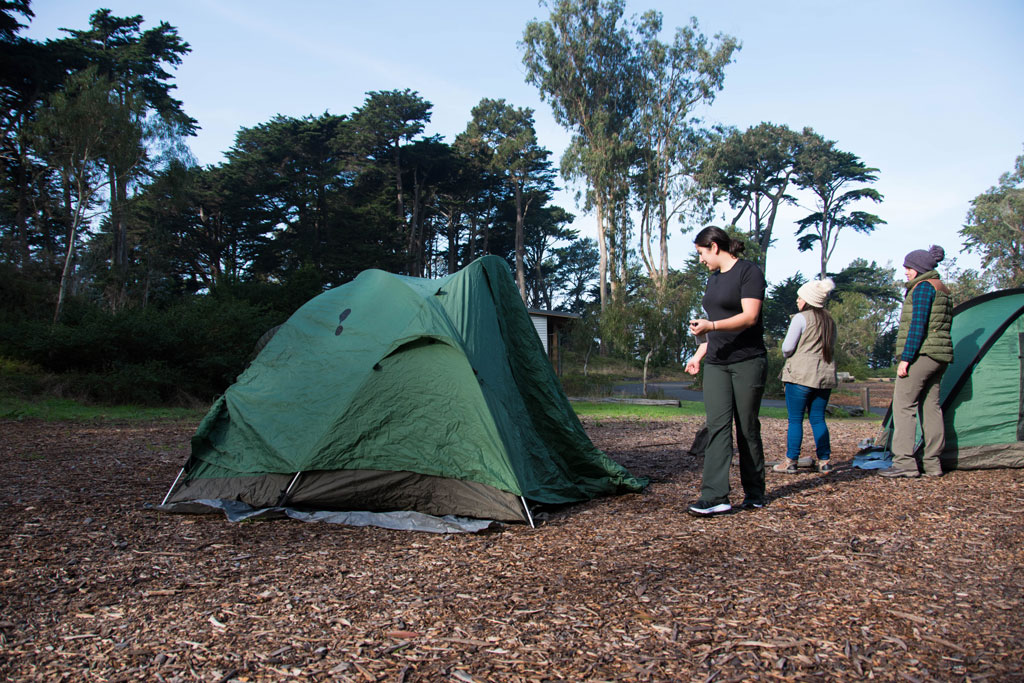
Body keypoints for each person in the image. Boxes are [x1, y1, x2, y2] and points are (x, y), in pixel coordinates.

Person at [684, 226, 767, 516]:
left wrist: (713, 326)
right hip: (717, 362)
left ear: (715, 247)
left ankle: (755, 492)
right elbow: (712, 321)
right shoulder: (713, 280)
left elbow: (750, 316)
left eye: (701, 253)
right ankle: (715, 495)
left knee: (746, 428)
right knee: (717, 426)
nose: (701, 260)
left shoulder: (749, 273)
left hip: (747, 361)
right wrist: (698, 353)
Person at [880, 245, 953, 478]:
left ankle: (904, 463)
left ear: (919, 268)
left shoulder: (922, 288)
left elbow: (917, 327)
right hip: (939, 356)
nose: (906, 272)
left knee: (904, 405)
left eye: (908, 268)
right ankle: (932, 464)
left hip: (922, 355)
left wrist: (906, 359)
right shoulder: (941, 288)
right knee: (931, 407)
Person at [772, 278, 838, 474]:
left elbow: (787, 348)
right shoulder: (830, 321)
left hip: (800, 375)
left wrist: (789, 355)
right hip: (824, 375)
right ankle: (824, 461)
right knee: (818, 419)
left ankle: (791, 460)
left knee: (795, 419)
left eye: (800, 297)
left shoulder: (801, 318)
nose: (798, 300)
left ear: (808, 299)